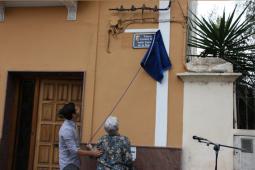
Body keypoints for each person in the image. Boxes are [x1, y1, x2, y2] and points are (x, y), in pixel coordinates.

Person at [58, 102, 102, 170]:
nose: (79, 110)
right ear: (73, 115)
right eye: (76, 109)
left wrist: (88, 147)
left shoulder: (73, 125)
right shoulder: (66, 130)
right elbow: (75, 151)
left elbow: (76, 146)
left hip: (74, 163)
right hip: (69, 165)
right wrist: (92, 153)